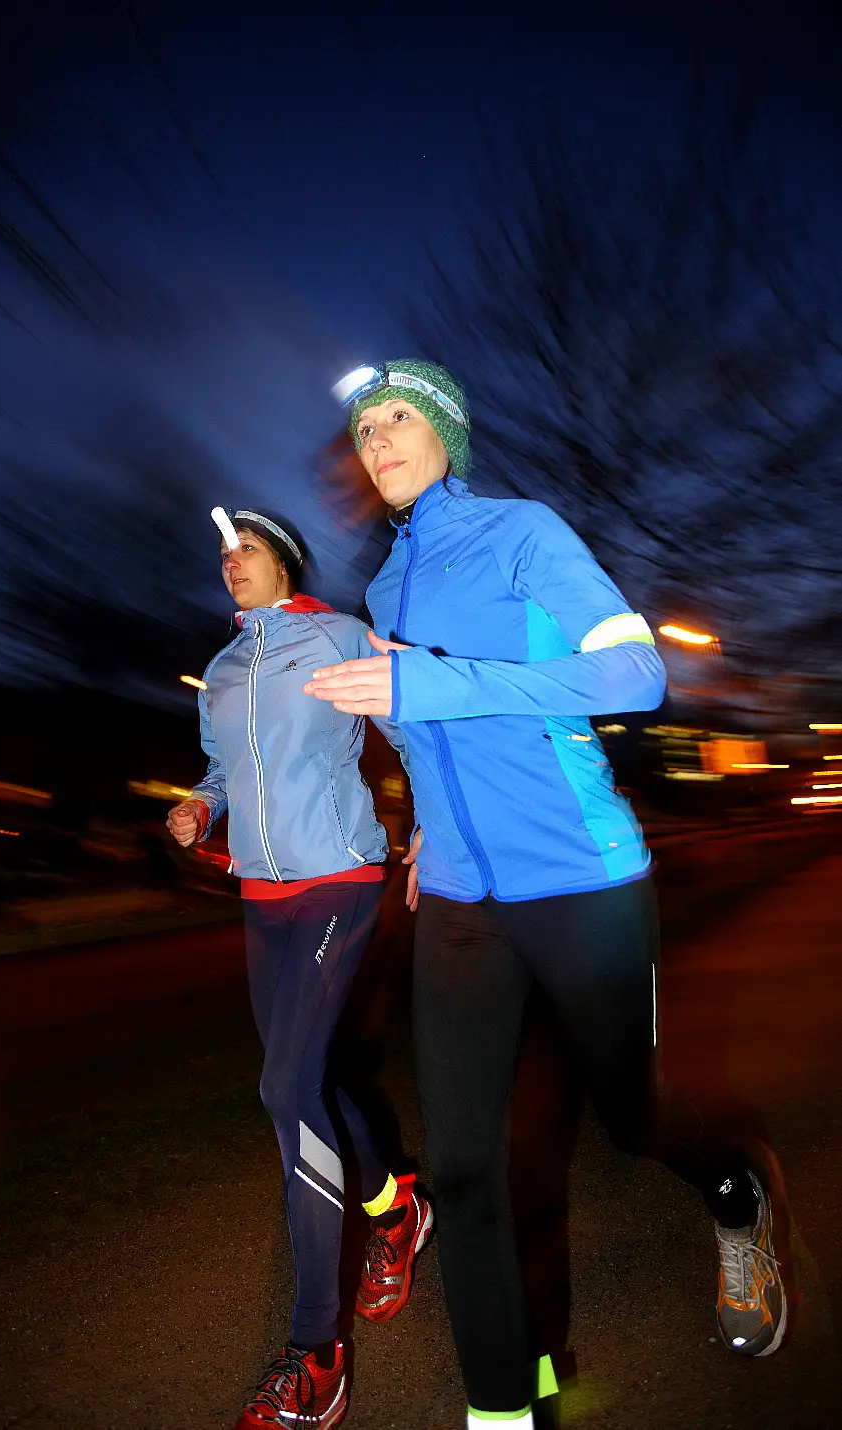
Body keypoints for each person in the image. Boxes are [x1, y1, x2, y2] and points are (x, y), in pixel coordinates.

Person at [305, 361, 787, 1429]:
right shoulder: (382, 590)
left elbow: (631, 675)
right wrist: (427, 810)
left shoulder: (522, 532)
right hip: (463, 905)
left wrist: (427, 683)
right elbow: (430, 725)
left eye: (397, 417)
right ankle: (506, 1409)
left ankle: (734, 1194)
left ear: (444, 432)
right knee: (466, 1168)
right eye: (362, 427)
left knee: (632, 1117)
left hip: (584, 882)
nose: (376, 439)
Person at [167, 505, 433, 1430]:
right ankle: (397, 1210)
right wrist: (200, 810)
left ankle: (315, 1352)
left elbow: (404, 724)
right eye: (222, 555)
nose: (230, 563)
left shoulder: (335, 634)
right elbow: (215, 769)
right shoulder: (224, 669)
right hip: (260, 897)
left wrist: (427, 824)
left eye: (245, 549)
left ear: (282, 561)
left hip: (339, 878)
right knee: (306, 1078)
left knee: (284, 1088)